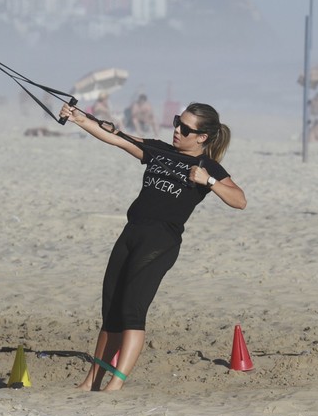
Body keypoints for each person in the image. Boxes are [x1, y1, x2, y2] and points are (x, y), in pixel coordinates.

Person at [59, 101, 246, 391]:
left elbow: (240, 200)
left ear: (202, 137)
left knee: (132, 311)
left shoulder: (207, 166)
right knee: (110, 311)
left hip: (160, 242)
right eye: (176, 122)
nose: (176, 131)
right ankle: (91, 382)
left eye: (185, 128)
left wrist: (208, 181)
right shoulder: (159, 150)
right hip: (131, 232)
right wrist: (79, 119)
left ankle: (115, 385)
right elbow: (117, 137)